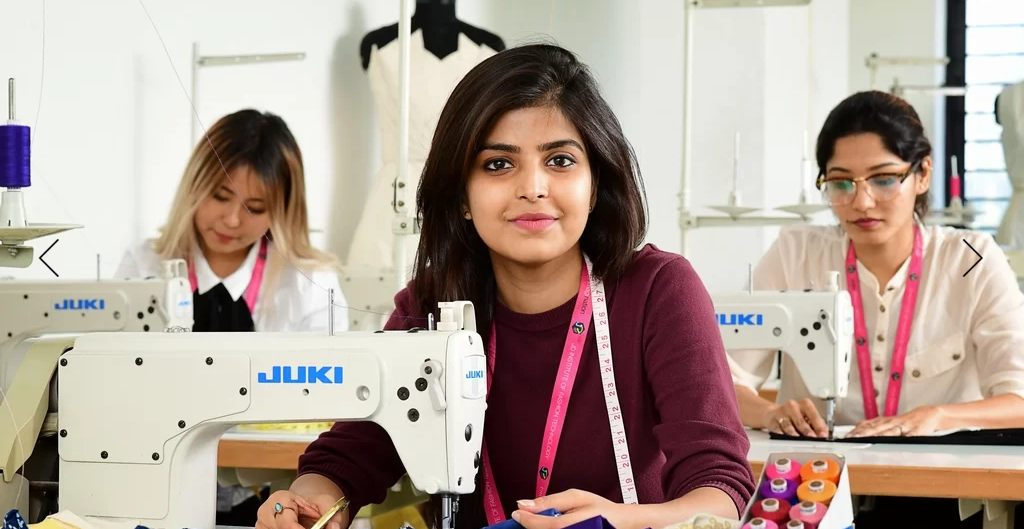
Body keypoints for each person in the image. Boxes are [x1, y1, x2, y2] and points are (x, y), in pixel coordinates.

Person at [255, 44, 755, 529]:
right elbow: (351, 456)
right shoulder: (428, 307)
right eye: (498, 164)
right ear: (463, 198)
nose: (533, 187)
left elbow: (719, 489)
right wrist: (306, 504)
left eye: (560, 160)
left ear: (595, 183)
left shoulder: (658, 292)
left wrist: (617, 520)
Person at [728, 91, 1024, 527]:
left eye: (883, 179)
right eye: (841, 182)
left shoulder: (972, 259)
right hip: (811, 487)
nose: (861, 202)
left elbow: (1018, 399)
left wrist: (936, 417)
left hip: (936, 492)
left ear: (922, 174)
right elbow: (718, 384)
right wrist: (769, 412)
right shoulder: (796, 253)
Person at [114, 108, 348, 526]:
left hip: (270, 494)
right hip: (151, 485)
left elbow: (331, 401)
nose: (232, 220)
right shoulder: (144, 266)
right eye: (220, 197)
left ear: (283, 209)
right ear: (194, 187)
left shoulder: (310, 283)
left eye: (255, 207)